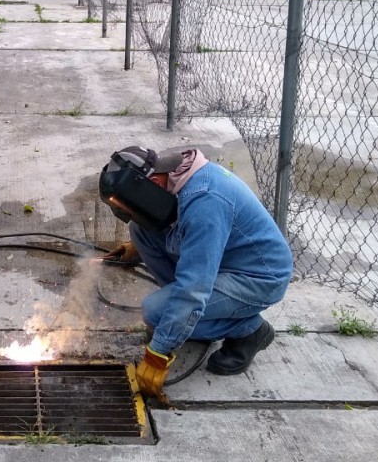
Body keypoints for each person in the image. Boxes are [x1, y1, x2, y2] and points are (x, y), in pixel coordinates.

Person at [98, 146, 293, 397]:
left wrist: (159, 353)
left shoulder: (205, 203)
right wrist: (136, 247)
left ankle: (249, 330)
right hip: (225, 259)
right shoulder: (175, 175)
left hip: (258, 277)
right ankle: (190, 317)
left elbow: (193, 290)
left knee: (156, 314)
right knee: (140, 231)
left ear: (153, 182)